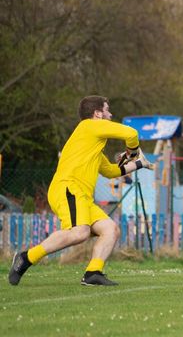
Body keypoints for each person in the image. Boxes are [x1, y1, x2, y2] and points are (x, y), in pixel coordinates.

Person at [8, 96, 153, 286]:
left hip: (80, 196)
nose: (111, 114)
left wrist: (140, 163)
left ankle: (93, 273)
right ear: (97, 114)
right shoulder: (89, 126)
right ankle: (26, 258)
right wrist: (133, 152)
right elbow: (131, 134)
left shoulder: (91, 144)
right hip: (68, 188)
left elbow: (111, 171)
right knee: (80, 233)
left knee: (111, 229)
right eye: (108, 110)